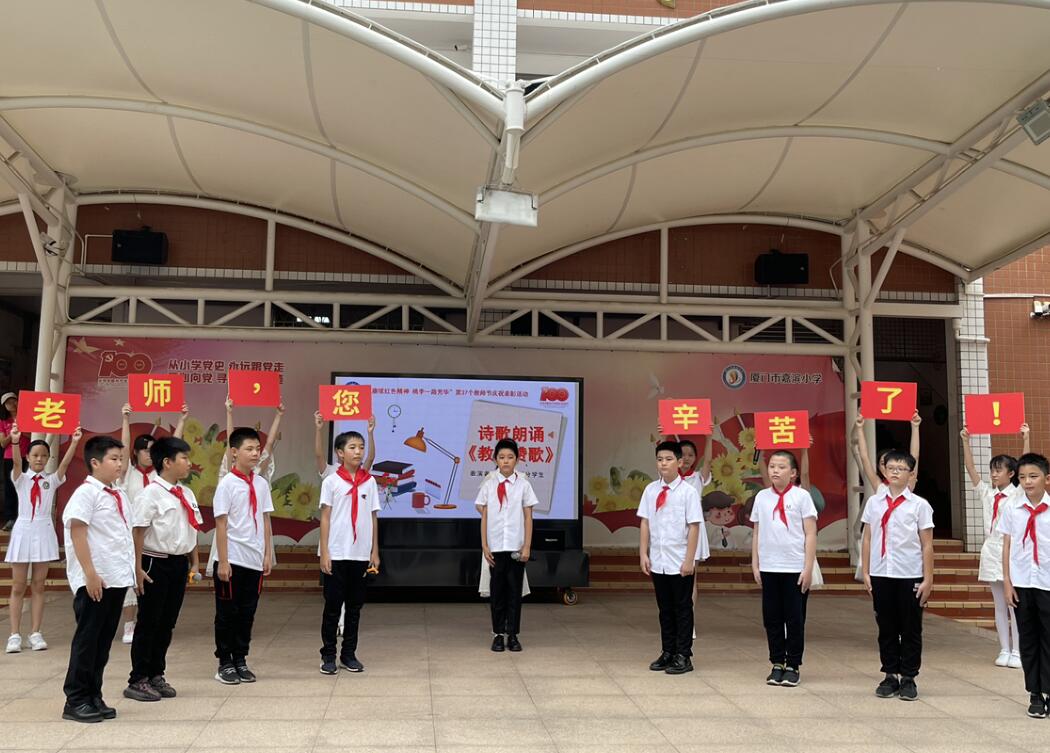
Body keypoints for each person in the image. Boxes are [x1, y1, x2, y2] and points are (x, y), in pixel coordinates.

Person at [61, 436, 136, 723]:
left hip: (117, 578)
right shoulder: (86, 493)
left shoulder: (118, 494)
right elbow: (77, 532)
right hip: (96, 580)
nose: (119, 464)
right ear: (95, 462)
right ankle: (76, 699)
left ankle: (94, 694)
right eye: (113, 459)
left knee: (102, 642)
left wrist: (132, 571)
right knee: (87, 640)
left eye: (121, 459)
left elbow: (122, 537)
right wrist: (90, 574)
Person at [123, 437, 203, 702]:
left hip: (178, 563)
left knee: (168, 622)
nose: (189, 463)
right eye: (184, 458)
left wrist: (194, 561)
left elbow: (192, 528)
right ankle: (138, 678)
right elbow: (138, 531)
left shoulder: (186, 493)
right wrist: (137, 568)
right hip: (154, 561)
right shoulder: (150, 494)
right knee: (149, 621)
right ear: (167, 462)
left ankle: (156, 673)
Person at [861, 450, 934, 701]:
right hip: (881, 572)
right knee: (886, 626)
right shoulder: (874, 502)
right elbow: (867, 538)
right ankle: (890, 674)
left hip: (909, 573)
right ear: (884, 471)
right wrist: (866, 571)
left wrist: (928, 579)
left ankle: (909, 677)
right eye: (891, 467)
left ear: (911, 474)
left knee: (911, 627)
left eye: (901, 469)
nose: (895, 472)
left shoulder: (919, 505)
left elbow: (927, 544)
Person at [5, 424, 82, 653]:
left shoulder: (52, 480)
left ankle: (35, 633)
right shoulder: (20, 478)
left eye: (44, 456)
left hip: (43, 530)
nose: (39, 459)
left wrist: (75, 441)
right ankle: (14, 635)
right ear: (28, 457)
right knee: (18, 586)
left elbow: (65, 464)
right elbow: (15, 463)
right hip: (23, 531)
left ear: (48, 458)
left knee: (39, 585)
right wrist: (16, 441)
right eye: (35, 455)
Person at [118, 402, 189, 644]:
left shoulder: (159, 476)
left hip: (156, 538)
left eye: (152, 451)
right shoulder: (128, 473)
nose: (148, 454)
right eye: (144, 450)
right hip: (132, 533)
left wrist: (181, 420)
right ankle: (129, 623)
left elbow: (173, 451)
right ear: (135, 453)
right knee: (131, 577)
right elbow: (123, 446)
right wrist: (125, 420)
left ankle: (149, 624)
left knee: (153, 589)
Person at [962, 424, 1028, 668]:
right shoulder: (988, 494)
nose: (993, 474)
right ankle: (1004, 649)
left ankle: (1018, 651)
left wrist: (1026, 438)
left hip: (1011, 550)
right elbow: (970, 469)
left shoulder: (1018, 494)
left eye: (998, 470)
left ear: (1011, 473)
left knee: (1014, 604)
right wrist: (966, 441)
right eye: (992, 470)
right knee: (999, 603)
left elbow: (1026, 467)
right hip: (991, 550)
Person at [211, 427, 273, 685]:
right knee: (227, 612)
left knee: (248, 612)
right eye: (249, 449)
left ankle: (241, 658)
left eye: (257, 449)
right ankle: (224, 662)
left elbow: (265, 519)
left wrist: (267, 553)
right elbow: (221, 523)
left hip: (254, 558)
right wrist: (223, 561)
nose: (255, 453)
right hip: (232, 558)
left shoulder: (261, 483)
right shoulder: (227, 484)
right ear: (234, 452)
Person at [751, 450, 818, 687]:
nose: (775, 471)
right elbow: (757, 532)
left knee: (794, 618)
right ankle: (777, 662)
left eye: (781, 467)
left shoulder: (802, 497)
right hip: (769, 566)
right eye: (772, 466)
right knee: (772, 618)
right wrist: (755, 563)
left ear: (793, 473)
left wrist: (808, 567)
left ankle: (793, 665)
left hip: (794, 567)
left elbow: (811, 533)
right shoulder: (762, 497)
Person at [318, 430, 380, 674]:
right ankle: (328, 655)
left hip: (360, 554)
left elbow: (373, 516)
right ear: (340, 453)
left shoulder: (369, 482)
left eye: (361, 447)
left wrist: (374, 551)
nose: (358, 452)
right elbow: (325, 517)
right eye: (353, 447)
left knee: (354, 607)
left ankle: (349, 654)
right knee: (333, 606)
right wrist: (325, 551)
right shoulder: (331, 481)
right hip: (337, 552)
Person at [639, 440, 701, 675]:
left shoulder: (688, 492)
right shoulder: (650, 490)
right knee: (664, 608)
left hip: (679, 560)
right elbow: (645, 522)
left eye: (668, 459)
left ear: (680, 462)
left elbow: (694, 526)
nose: (663, 463)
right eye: (659, 459)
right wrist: (643, 553)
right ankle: (668, 651)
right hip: (659, 559)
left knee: (682, 608)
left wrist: (689, 559)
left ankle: (684, 655)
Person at [1000, 452, 1050, 718]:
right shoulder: (1012, 508)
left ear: (1046, 478)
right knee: (1028, 639)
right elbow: (1007, 546)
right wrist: (1007, 582)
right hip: (1021, 582)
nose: (1028, 482)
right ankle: (1035, 693)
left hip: (1047, 582)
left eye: (1033, 476)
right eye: (1022, 477)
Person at [477, 438, 537, 653]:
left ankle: (513, 635)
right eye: (501, 457)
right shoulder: (489, 484)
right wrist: (484, 545)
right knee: (497, 593)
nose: (506, 461)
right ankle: (497, 634)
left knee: (514, 593)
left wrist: (527, 546)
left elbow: (528, 517)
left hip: (515, 547)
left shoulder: (523, 485)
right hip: (495, 548)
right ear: (495, 460)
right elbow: (484, 516)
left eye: (510, 457)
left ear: (517, 460)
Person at [678, 439, 712, 638]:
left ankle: (688, 623)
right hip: (673, 532)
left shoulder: (699, 477)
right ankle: (675, 620)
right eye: (682, 454)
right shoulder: (668, 478)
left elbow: (708, 461)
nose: (686, 458)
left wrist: (709, 437)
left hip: (694, 531)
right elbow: (662, 456)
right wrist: (665, 435)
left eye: (691, 455)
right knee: (672, 580)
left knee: (691, 579)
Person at [0, 392, 31, 531]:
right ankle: (11, 518)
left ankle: (24, 516)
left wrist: (21, 427)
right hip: (10, 457)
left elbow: (34, 435)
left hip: (26, 456)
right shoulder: (3, 422)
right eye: (8, 403)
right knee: (10, 487)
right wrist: (12, 433)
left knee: (26, 486)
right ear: (4, 407)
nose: (11, 404)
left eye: (14, 401)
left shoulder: (28, 417)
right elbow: (2, 443)